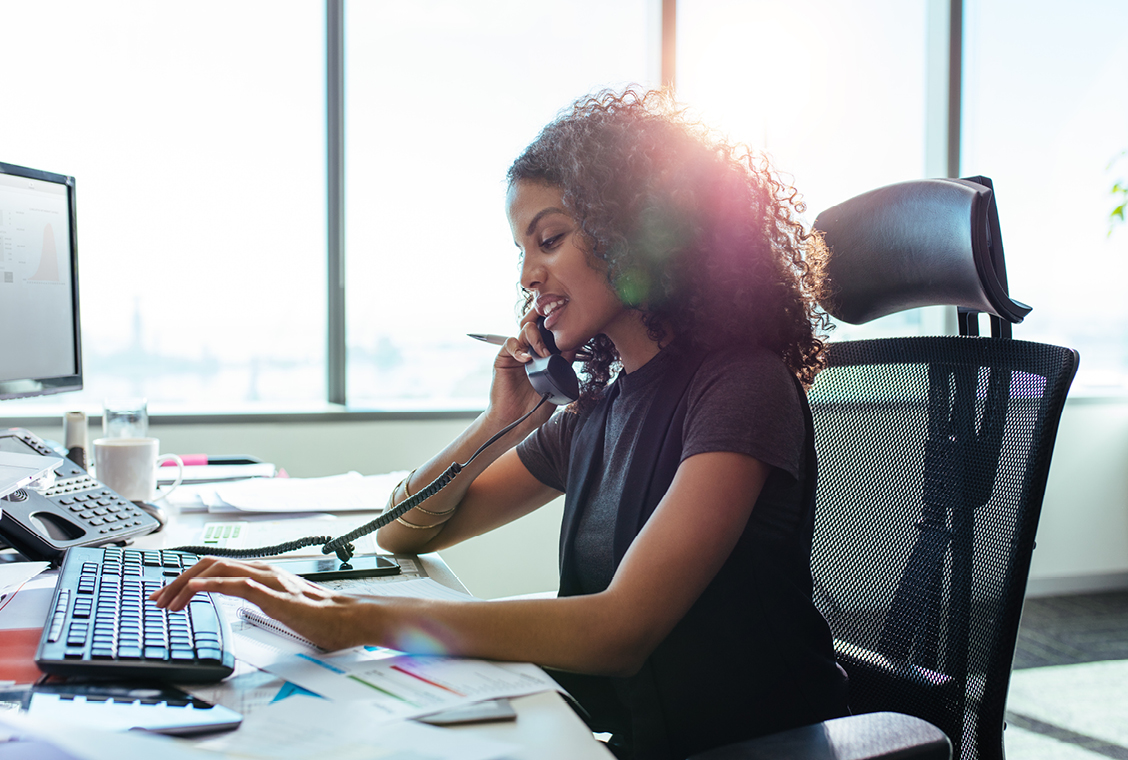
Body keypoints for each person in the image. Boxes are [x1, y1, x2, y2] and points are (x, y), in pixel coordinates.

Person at [152, 88, 850, 760]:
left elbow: (621, 630)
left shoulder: (741, 386)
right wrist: (501, 420)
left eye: (548, 239)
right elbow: (408, 530)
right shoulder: (597, 409)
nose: (527, 276)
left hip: (740, 747)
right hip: (622, 735)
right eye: (523, 249)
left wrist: (353, 618)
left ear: (635, 230)